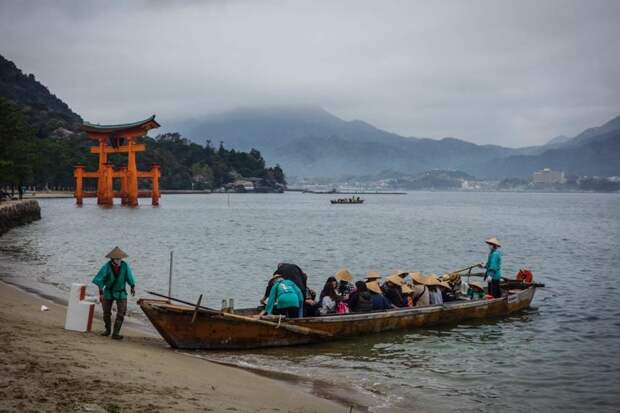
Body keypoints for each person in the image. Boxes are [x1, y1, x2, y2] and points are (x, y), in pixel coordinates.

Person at [92, 247, 136, 340]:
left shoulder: (125, 266)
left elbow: (129, 277)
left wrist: (132, 286)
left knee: (121, 312)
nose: (119, 260)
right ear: (112, 259)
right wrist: (101, 292)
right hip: (108, 291)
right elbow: (100, 279)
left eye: (120, 259)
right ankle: (107, 330)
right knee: (106, 312)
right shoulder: (106, 267)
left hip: (121, 292)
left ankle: (116, 333)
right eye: (117, 259)